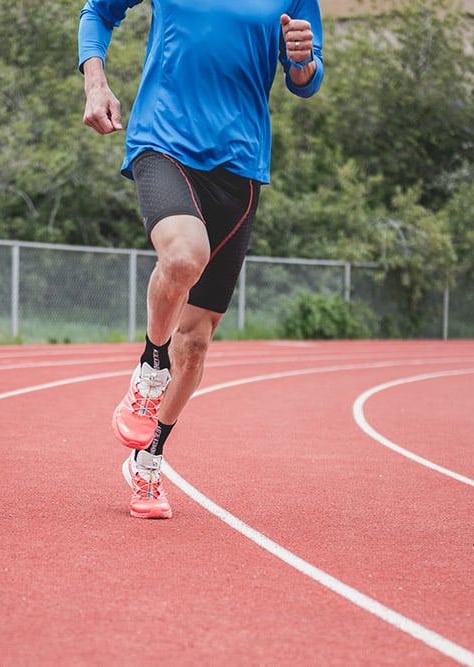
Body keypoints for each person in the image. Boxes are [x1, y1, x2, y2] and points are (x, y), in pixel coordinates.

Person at [78, 1, 324, 519]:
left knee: (195, 343)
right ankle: (149, 369)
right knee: (184, 256)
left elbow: (305, 78)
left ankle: (149, 458)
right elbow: (97, 11)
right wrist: (95, 82)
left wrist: (303, 62)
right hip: (163, 140)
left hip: (240, 163)